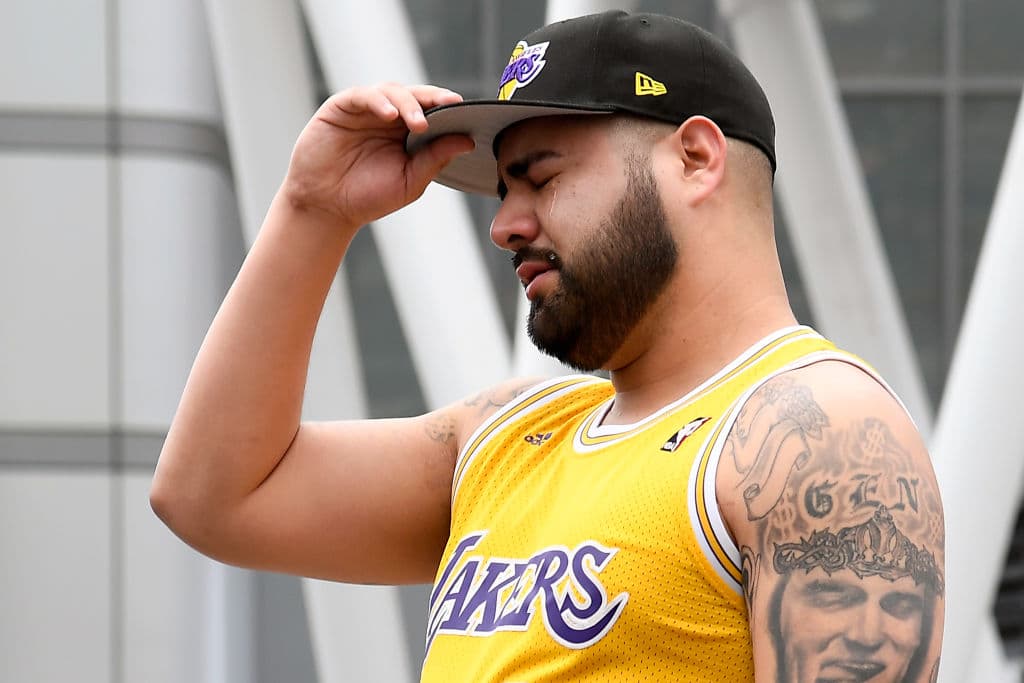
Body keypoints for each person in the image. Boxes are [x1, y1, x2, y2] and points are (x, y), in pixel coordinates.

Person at [151, 10, 944, 681]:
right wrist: (313, 208)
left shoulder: (819, 431)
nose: (504, 225)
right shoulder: (503, 436)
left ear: (696, 159)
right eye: (505, 189)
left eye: (542, 176)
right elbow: (214, 497)